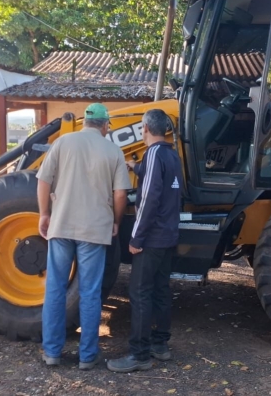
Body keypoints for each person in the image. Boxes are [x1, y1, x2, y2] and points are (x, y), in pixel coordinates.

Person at [37, 102, 131, 370]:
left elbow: (43, 180)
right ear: (104, 125)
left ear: (84, 122)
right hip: (94, 230)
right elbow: (121, 194)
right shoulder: (113, 150)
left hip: (62, 226)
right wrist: (115, 221)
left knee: (55, 289)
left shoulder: (62, 143)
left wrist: (44, 214)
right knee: (90, 293)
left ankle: (52, 353)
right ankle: (87, 357)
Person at [107, 109, 182, 373]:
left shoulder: (153, 154)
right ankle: (160, 346)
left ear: (145, 128)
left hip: (150, 238)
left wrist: (136, 238)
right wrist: (136, 168)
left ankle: (139, 355)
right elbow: (161, 183)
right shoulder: (171, 155)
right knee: (161, 290)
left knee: (139, 293)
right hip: (168, 236)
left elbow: (149, 198)